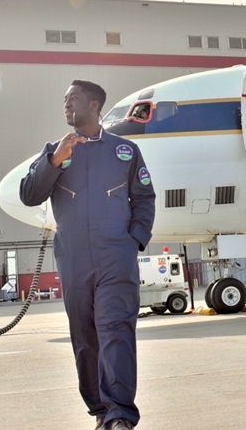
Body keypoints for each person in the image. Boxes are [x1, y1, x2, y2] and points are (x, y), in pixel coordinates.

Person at [20, 80, 155, 430]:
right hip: (74, 257)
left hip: (116, 256)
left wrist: (133, 240)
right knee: (85, 336)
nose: (66, 105)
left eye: (74, 99)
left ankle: (120, 415)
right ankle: (99, 410)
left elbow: (144, 198)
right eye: (64, 100)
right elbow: (29, 195)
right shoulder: (55, 150)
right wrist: (53, 161)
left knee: (116, 330)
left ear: (94, 105)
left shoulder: (124, 151)